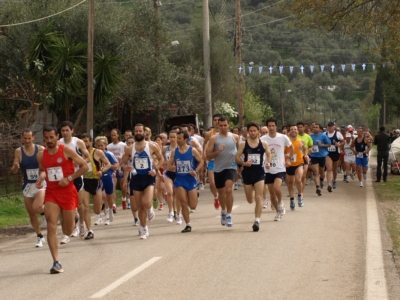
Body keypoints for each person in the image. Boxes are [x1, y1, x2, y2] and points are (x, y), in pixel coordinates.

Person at [36, 125, 88, 274]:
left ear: (57, 136)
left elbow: (84, 166)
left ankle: (74, 218)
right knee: (51, 224)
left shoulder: (66, 151)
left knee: (67, 230)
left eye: (51, 137)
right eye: (46, 138)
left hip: (68, 192)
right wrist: (41, 177)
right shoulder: (41, 155)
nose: (49, 140)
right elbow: (43, 170)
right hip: (52, 192)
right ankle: (56, 262)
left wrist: (69, 178)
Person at [121, 123, 163, 239]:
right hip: (136, 178)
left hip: (148, 177)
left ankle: (150, 209)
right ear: (134, 132)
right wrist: (126, 167)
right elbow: (123, 162)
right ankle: (143, 228)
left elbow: (161, 159)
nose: (138, 133)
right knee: (140, 207)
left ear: (144, 132)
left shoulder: (152, 146)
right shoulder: (130, 148)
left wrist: (155, 169)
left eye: (140, 131)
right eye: (136, 131)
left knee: (147, 203)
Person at [10, 128, 46, 247]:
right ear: (22, 138)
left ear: (33, 138)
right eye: (25, 138)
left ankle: (47, 209)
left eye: (29, 138)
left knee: (37, 207)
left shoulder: (40, 149)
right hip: (27, 184)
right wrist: (15, 167)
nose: (27, 140)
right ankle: (39, 236)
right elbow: (14, 170)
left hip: (41, 183)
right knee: (31, 213)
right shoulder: (18, 151)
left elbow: (49, 163)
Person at [235, 122, 271, 231]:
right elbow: (236, 158)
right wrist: (244, 163)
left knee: (258, 197)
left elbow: (269, 154)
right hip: (248, 173)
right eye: (250, 131)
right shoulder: (243, 144)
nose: (252, 132)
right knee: (250, 200)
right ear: (248, 132)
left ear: (258, 132)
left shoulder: (264, 143)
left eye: (254, 130)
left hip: (259, 172)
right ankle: (254, 192)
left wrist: (268, 162)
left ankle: (257, 221)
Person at [59, 121, 90, 243]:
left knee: (79, 204)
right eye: (63, 130)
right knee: (64, 206)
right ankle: (68, 231)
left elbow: (87, 157)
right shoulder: (58, 143)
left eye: (67, 130)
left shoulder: (78, 142)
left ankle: (82, 224)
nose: (65, 132)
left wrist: (80, 161)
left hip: (77, 176)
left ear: (72, 130)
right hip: (64, 177)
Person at [206, 116, 239, 227]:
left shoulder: (235, 137)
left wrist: (241, 164)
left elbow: (240, 152)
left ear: (229, 125)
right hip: (218, 168)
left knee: (229, 189)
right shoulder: (214, 139)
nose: (223, 127)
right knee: (221, 193)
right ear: (218, 126)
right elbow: (208, 155)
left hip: (231, 167)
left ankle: (229, 215)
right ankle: (223, 211)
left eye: (225, 125)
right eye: (221, 125)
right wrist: (218, 151)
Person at [168, 130, 203, 232]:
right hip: (179, 180)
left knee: (192, 206)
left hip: (191, 180)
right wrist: (172, 167)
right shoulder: (175, 151)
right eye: (177, 138)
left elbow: (201, 161)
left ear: (186, 139)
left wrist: (195, 171)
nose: (177, 140)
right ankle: (188, 225)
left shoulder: (192, 150)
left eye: (179, 138)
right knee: (183, 203)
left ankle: (196, 195)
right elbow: (170, 163)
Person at [260, 118, 293, 221]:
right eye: (269, 126)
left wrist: (289, 160)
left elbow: (291, 148)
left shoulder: (283, 137)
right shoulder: (263, 139)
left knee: (276, 187)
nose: (271, 127)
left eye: (273, 125)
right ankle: (278, 212)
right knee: (272, 193)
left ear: (276, 126)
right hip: (268, 168)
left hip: (280, 167)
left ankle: (280, 202)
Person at [80, 133, 112, 239]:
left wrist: (101, 171)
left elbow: (108, 164)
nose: (85, 143)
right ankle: (89, 230)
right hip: (84, 181)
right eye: (83, 141)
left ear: (90, 141)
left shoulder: (97, 152)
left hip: (96, 181)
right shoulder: (78, 153)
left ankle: (101, 208)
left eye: (86, 141)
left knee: (97, 210)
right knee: (85, 208)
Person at [94, 136, 119, 225]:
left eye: (102, 145)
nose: (100, 147)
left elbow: (116, 166)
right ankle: (99, 217)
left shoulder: (109, 154)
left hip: (108, 176)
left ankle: (109, 212)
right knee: (100, 197)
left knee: (108, 197)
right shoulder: (95, 154)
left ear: (105, 145)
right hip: (98, 178)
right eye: (98, 146)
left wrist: (107, 165)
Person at [285, 124, 307, 209]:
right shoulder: (286, 142)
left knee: (298, 180)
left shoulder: (301, 141)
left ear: (297, 130)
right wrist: (286, 156)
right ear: (289, 131)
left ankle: (300, 196)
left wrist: (305, 155)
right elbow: (282, 152)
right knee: (290, 183)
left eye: (295, 129)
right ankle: (292, 199)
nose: (293, 130)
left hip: (299, 163)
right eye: (291, 129)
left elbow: (305, 149)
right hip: (289, 164)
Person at [203, 114, 222, 210]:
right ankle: (216, 197)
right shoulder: (209, 133)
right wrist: (204, 154)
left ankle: (222, 196)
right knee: (212, 183)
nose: (217, 122)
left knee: (222, 183)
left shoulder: (226, 133)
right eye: (215, 120)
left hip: (223, 161)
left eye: (219, 120)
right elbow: (205, 143)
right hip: (212, 160)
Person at [107, 129, 126, 213]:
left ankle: (124, 198)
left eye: (114, 135)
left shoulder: (123, 145)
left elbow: (126, 155)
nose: (113, 137)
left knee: (123, 186)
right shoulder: (108, 146)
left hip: (121, 167)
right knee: (113, 187)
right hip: (112, 168)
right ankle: (114, 205)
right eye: (112, 135)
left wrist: (122, 162)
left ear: (118, 135)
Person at [309, 123, 331, 196]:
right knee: (316, 172)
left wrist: (322, 145)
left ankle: (321, 180)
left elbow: (329, 144)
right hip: (314, 156)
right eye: (314, 127)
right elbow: (308, 145)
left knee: (322, 173)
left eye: (316, 127)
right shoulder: (310, 136)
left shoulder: (323, 136)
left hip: (322, 155)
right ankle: (317, 187)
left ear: (319, 128)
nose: (315, 128)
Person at [324, 122, 344, 192]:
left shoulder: (338, 134)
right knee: (329, 169)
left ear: (334, 127)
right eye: (328, 126)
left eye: (331, 126)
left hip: (336, 154)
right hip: (328, 154)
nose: (329, 128)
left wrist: (339, 144)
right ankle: (329, 184)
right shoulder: (325, 134)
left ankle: (334, 180)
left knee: (335, 170)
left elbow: (343, 141)